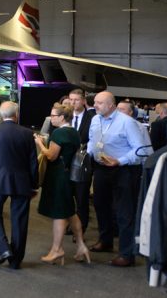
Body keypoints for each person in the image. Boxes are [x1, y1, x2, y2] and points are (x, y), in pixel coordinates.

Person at [87, 91, 153, 266]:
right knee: (101, 206)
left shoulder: (127, 123)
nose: (95, 105)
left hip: (123, 170)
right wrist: (89, 152)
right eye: (95, 102)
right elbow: (92, 140)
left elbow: (140, 150)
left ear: (111, 105)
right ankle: (106, 241)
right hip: (101, 169)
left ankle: (126, 253)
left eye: (99, 102)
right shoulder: (95, 119)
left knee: (124, 212)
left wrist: (120, 161)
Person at [0, 101, 37, 269]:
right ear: (16, 115)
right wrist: (34, 185)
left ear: (1, 115)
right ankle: (15, 260)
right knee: (20, 219)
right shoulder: (27, 133)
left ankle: (4, 248)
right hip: (22, 181)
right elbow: (33, 162)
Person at [34, 103, 90, 265]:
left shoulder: (59, 133)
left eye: (53, 116)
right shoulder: (74, 132)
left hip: (58, 177)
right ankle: (81, 246)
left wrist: (39, 143)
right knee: (70, 212)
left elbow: (51, 156)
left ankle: (57, 250)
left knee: (59, 213)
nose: (50, 118)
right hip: (68, 176)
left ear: (62, 117)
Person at [68, 88, 95, 234]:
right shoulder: (65, 116)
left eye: (76, 100)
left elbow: (94, 140)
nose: (73, 102)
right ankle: (71, 224)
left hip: (83, 163)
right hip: (66, 164)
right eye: (71, 99)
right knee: (68, 197)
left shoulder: (92, 118)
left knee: (81, 198)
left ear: (83, 101)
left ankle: (80, 228)